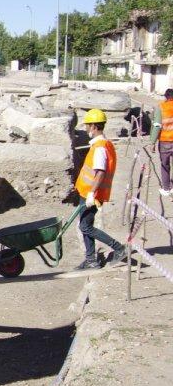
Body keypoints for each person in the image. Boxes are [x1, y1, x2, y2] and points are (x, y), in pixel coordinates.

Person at [75, 109, 126, 269]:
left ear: (93, 126)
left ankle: (119, 248)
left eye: (87, 125)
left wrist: (91, 194)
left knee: (85, 226)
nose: (85, 128)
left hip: (92, 194)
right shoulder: (101, 144)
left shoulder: (100, 148)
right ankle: (91, 260)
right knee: (85, 225)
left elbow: (100, 172)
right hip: (87, 192)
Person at [150, 88, 173, 197]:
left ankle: (166, 189)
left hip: (165, 141)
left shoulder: (161, 107)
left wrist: (152, 142)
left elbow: (157, 125)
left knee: (165, 165)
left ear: (166, 97)